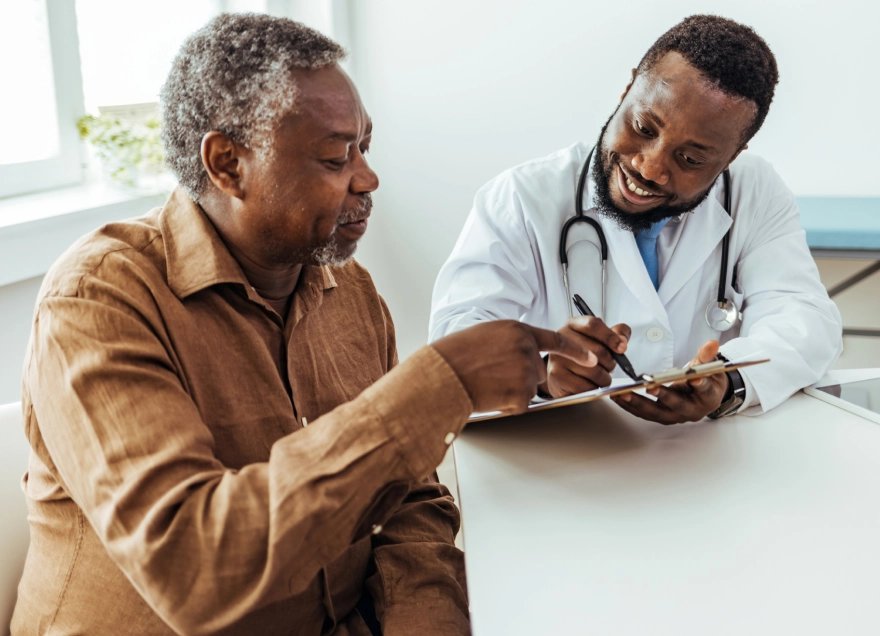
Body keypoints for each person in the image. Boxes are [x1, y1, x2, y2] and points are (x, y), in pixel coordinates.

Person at [11, 14, 589, 636]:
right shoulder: (99, 299)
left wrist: (425, 622)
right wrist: (439, 384)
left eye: (366, 147)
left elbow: (408, 503)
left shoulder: (351, 293)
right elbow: (189, 567)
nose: (367, 179)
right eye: (336, 156)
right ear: (228, 163)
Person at [430, 15, 843, 425]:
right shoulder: (521, 197)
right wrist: (541, 374)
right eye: (644, 127)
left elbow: (804, 316)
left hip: (703, 460)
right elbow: (452, 346)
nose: (650, 167)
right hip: (563, 463)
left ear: (732, 156)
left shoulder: (753, 189)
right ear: (629, 88)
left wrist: (728, 379)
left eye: (691, 159)